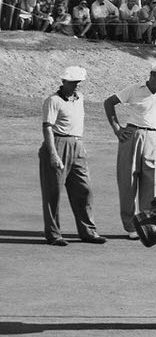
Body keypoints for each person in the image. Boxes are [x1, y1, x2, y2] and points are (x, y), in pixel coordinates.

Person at [103, 60, 156, 240]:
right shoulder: (135, 89)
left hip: (154, 137)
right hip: (132, 135)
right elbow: (109, 103)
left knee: (152, 182)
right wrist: (117, 129)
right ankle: (130, 227)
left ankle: (148, 224)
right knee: (128, 181)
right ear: (153, 75)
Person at [39, 66, 106, 246]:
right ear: (63, 82)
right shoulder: (53, 101)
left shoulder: (80, 98)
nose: (77, 86)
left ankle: (88, 232)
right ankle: (54, 235)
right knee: (53, 193)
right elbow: (47, 128)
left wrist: (80, 146)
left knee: (85, 190)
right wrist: (53, 154)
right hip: (57, 144)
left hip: (77, 144)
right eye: (73, 82)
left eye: (79, 83)